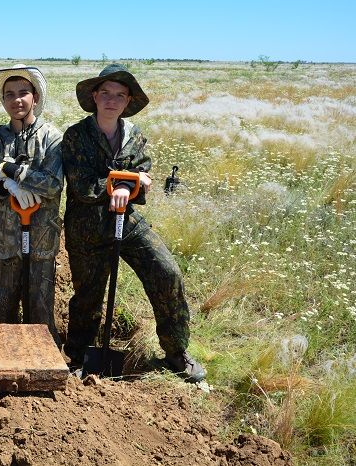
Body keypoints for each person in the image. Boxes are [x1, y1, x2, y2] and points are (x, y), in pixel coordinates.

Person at [61, 63, 206, 382]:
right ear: (95, 97)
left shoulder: (135, 137)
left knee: (166, 272)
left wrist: (133, 185)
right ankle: (77, 355)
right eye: (106, 93)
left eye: (120, 95)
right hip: (86, 227)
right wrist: (125, 182)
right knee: (88, 295)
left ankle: (176, 352)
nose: (112, 100)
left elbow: (144, 175)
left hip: (126, 220)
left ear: (128, 101)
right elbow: (82, 186)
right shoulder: (75, 136)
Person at [0, 65, 63, 346]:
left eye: (23, 93)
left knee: (40, 314)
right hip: (2, 243)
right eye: (9, 94)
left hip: (40, 241)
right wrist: (4, 187)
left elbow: (53, 185)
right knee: (1, 315)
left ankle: (44, 368)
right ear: (3, 100)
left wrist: (11, 170)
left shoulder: (52, 138)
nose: (17, 100)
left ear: (36, 98)